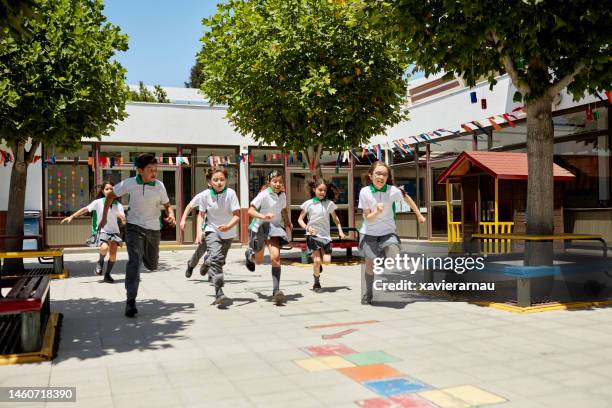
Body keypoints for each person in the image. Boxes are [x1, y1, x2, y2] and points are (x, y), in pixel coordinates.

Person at [99, 154, 175, 317]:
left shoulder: (159, 186)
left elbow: (167, 205)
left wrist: (171, 215)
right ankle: (130, 301)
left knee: (153, 265)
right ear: (140, 171)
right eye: (150, 170)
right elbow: (111, 195)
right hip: (134, 227)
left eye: (155, 170)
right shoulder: (130, 183)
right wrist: (105, 216)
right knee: (134, 261)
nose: (154, 173)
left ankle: (147, 259)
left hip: (153, 229)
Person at [358, 161, 425, 305]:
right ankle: (368, 294)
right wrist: (377, 211)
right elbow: (368, 218)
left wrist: (418, 214)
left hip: (388, 232)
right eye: (378, 173)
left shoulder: (393, 190)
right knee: (370, 265)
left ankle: (380, 260)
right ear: (371, 175)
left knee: (393, 255)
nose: (381, 176)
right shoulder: (365, 192)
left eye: (384, 174)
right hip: (369, 232)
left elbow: (407, 198)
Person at [61, 181, 125, 283]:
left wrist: (121, 217)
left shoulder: (118, 205)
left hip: (114, 232)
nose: (109, 191)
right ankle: (100, 262)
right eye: (107, 189)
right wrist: (72, 216)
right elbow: (85, 209)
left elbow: (123, 218)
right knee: (104, 247)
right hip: (102, 230)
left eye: (111, 189)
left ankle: (107, 275)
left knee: (113, 254)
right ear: (103, 191)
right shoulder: (98, 202)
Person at [194, 166, 240, 306]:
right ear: (209, 182)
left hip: (228, 232)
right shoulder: (205, 195)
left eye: (222, 179)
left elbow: (237, 215)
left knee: (219, 261)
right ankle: (219, 293)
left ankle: (207, 263)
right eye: (216, 180)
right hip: (211, 230)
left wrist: (228, 226)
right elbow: (201, 215)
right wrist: (199, 232)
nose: (219, 182)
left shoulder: (231, 193)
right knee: (216, 258)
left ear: (226, 180)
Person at [245, 170, 293, 305]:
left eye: (280, 181)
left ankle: (276, 291)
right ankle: (250, 255)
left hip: (274, 228)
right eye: (275, 181)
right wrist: (263, 216)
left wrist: (288, 222)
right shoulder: (263, 195)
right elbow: (250, 210)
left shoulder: (283, 195)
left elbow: (283, 209)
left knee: (275, 257)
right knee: (259, 261)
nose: (278, 184)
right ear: (269, 182)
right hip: (259, 227)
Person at [297, 176, 345, 292]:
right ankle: (316, 282)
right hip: (312, 236)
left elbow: (335, 218)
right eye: (320, 190)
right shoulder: (308, 204)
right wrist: (307, 228)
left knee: (327, 261)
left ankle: (317, 266)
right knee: (317, 261)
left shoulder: (329, 204)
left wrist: (340, 230)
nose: (322, 192)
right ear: (314, 189)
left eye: (324, 190)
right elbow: (300, 220)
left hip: (325, 236)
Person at [180, 184, 211, 280]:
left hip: (218, 230)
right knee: (200, 251)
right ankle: (191, 265)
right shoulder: (203, 195)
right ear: (209, 183)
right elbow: (189, 206)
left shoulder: (225, 194)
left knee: (214, 252)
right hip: (206, 229)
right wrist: (183, 219)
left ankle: (211, 273)